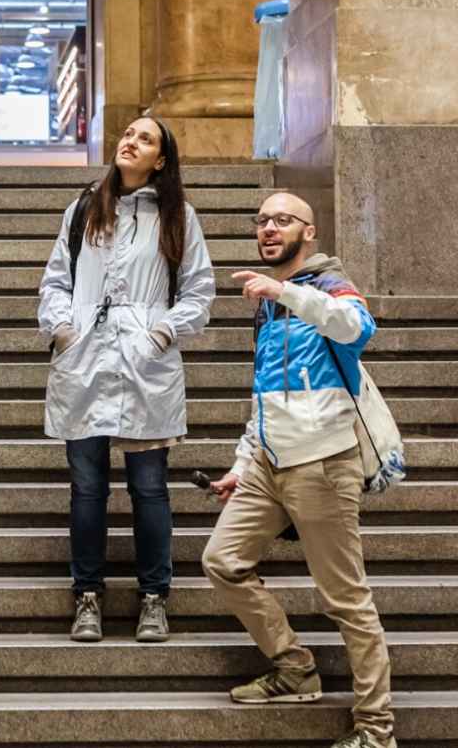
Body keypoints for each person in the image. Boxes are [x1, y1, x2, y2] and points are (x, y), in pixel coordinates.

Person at [202, 193, 393, 748]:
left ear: (308, 233)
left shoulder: (330, 285)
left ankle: (377, 730)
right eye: (261, 221)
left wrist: (287, 290)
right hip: (269, 460)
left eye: (282, 220)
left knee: (345, 598)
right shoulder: (266, 304)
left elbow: (358, 329)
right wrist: (243, 462)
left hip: (324, 462)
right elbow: (265, 394)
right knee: (222, 561)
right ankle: (295, 667)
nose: (268, 229)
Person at [37, 116, 213, 644]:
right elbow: (55, 281)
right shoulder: (83, 209)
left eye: (145, 139)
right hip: (85, 357)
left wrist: (160, 332)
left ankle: (154, 598)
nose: (130, 142)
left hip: (144, 362)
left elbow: (200, 291)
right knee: (87, 488)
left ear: (161, 160)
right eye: (128, 135)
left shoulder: (177, 216)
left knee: (149, 487)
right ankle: (87, 595)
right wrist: (63, 329)